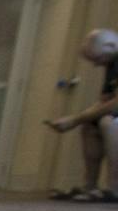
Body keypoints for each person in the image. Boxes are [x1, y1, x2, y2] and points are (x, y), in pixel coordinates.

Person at [43, 29, 118, 201]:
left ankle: (115, 189)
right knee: (91, 125)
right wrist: (76, 119)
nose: (96, 65)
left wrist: (74, 120)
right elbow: (105, 100)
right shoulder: (113, 63)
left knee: (110, 123)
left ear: (110, 46)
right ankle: (90, 187)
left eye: (98, 59)